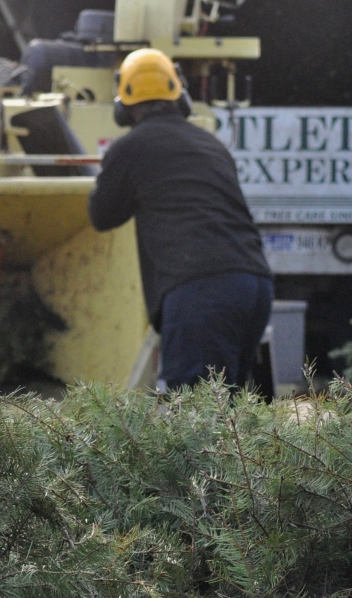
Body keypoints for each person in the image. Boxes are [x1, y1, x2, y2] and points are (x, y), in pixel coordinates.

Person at [88, 47, 272, 391]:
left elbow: (102, 215)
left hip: (201, 291)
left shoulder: (129, 149)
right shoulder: (211, 144)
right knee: (229, 412)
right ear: (180, 95)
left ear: (123, 105)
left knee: (193, 419)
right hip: (255, 285)